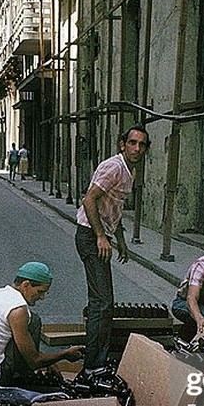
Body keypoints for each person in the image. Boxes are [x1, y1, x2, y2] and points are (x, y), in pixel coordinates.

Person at [75, 126, 150, 372]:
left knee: (103, 301)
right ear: (122, 144)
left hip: (101, 236)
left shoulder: (131, 171)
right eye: (132, 143)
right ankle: (92, 365)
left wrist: (121, 242)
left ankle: (97, 360)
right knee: (102, 302)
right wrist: (100, 236)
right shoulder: (114, 167)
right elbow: (89, 199)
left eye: (141, 144)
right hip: (90, 235)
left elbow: (113, 209)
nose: (137, 148)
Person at [0, 262, 84, 386]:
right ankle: (19, 377)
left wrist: (47, 360)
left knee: (28, 320)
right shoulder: (18, 309)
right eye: (40, 292)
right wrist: (65, 354)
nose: (42, 297)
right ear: (26, 284)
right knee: (33, 320)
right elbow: (34, 361)